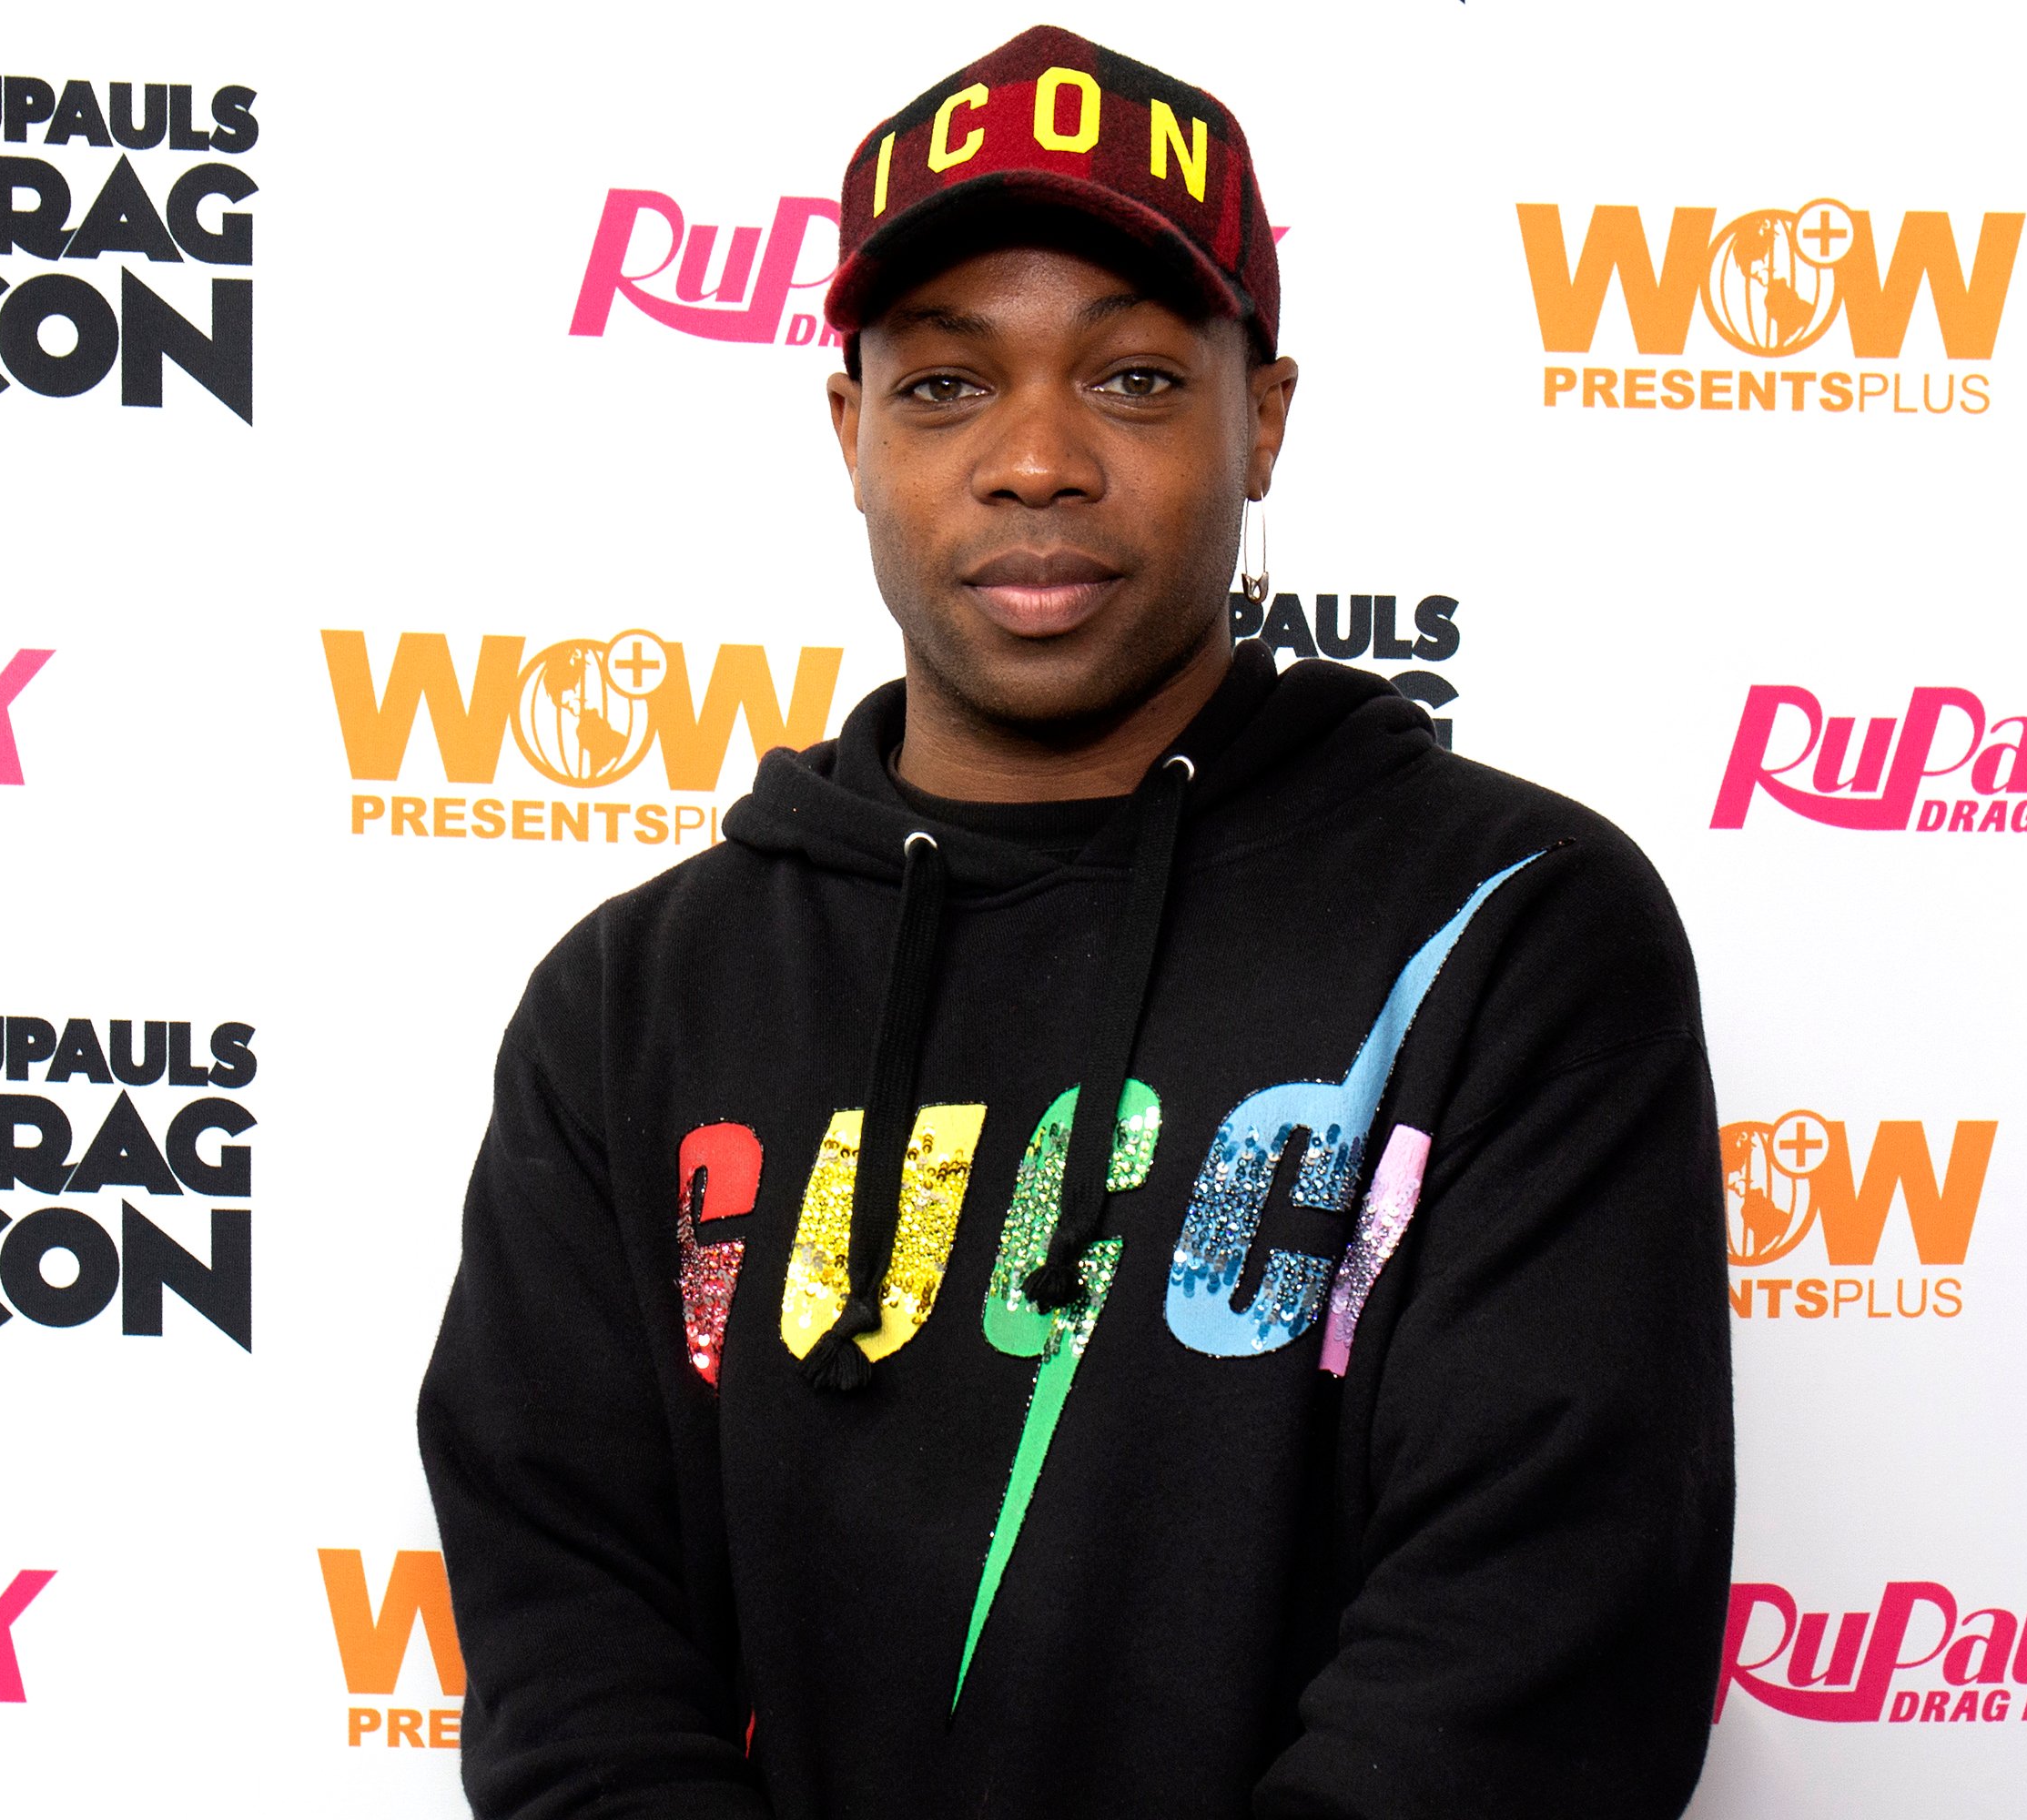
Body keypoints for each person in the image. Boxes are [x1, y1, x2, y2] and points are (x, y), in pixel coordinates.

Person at [421, 24, 1733, 1819]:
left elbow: (1530, 1650)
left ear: (1261, 417)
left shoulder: (1511, 928)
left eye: (1128, 380)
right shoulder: (635, 998)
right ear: (852, 428)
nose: (1035, 461)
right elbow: (574, 1649)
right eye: (949, 387)